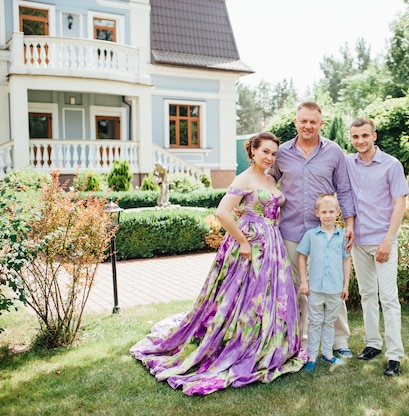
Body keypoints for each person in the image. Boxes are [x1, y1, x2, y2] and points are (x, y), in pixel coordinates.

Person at [129, 132, 305, 395]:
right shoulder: (243, 179)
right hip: (249, 244)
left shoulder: (270, 178)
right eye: (265, 151)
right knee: (245, 296)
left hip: (274, 244)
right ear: (253, 151)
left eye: (273, 153)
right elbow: (222, 212)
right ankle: (239, 341)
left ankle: (269, 339)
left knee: (269, 295)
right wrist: (243, 242)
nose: (269, 157)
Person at [273, 101, 356, 359]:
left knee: (332, 284)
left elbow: (343, 189)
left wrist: (350, 224)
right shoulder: (282, 153)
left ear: (321, 123)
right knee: (298, 287)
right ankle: (301, 341)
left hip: (326, 232)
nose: (308, 125)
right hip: (290, 229)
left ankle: (339, 341)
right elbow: (268, 182)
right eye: (303, 121)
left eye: (313, 121)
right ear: (295, 122)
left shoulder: (333, 152)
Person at [345, 117, 409, 377]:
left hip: (383, 241)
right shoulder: (348, 162)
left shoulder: (391, 165)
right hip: (358, 242)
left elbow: (400, 204)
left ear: (374, 136)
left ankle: (394, 357)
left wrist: (388, 240)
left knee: (389, 298)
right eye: (355, 137)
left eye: (364, 135)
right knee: (368, 295)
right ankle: (373, 343)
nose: (360, 141)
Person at [297, 194, 352, 370]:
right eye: (324, 212)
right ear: (317, 213)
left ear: (338, 213)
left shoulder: (342, 236)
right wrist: (304, 281)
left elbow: (346, 261)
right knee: (314, 321)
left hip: (335, 288)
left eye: (331, 211)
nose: (328, 215)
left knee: (329, 321)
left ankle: (327, 354)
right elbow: (301, 256)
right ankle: (312, 356)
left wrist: (345, 285)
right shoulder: (311, 235)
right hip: (316, 288)